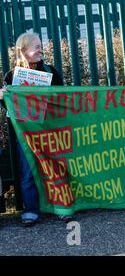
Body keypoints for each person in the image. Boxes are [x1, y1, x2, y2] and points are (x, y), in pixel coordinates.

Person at [0, 32, 68, 227]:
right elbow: (9, 107)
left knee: (54, 169)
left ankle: (62, 207)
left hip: (49, 129)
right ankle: (31, 210)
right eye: (36, 47)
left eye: (40, 45)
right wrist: (3, 95)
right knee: (28, 171)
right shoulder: (12, 76)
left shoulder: (50, 71)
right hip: (25, 134)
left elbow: (62, 99)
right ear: (24, 51)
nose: (41, 50)